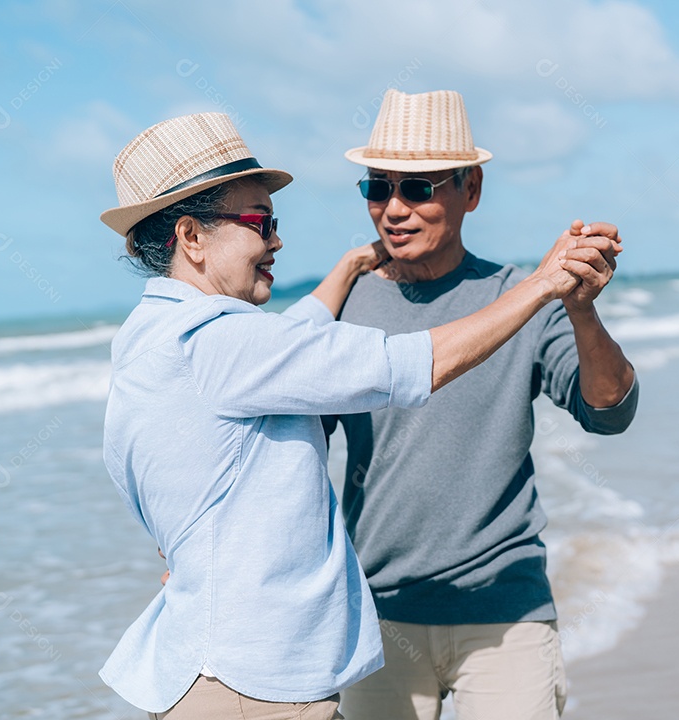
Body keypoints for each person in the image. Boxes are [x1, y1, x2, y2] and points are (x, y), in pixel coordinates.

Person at [98, 111, 596, 719]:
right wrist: (543, 285)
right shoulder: (222, 344)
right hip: (253, 685)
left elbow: (287, 355)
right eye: (260, 221)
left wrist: (343, 271)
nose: (276, 240)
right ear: (192, 238)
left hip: (206, 668)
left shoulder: (152, 338)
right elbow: (403, 364)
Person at [325, 90, 639, 719]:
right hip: (375, 615)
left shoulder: (520, 296)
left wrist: (580, 309)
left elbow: (609, 410)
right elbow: (287, 448)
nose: (393, 209)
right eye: (377, 188)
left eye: (418, 189)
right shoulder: (343, 305)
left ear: (471, 190)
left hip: (504, 610)